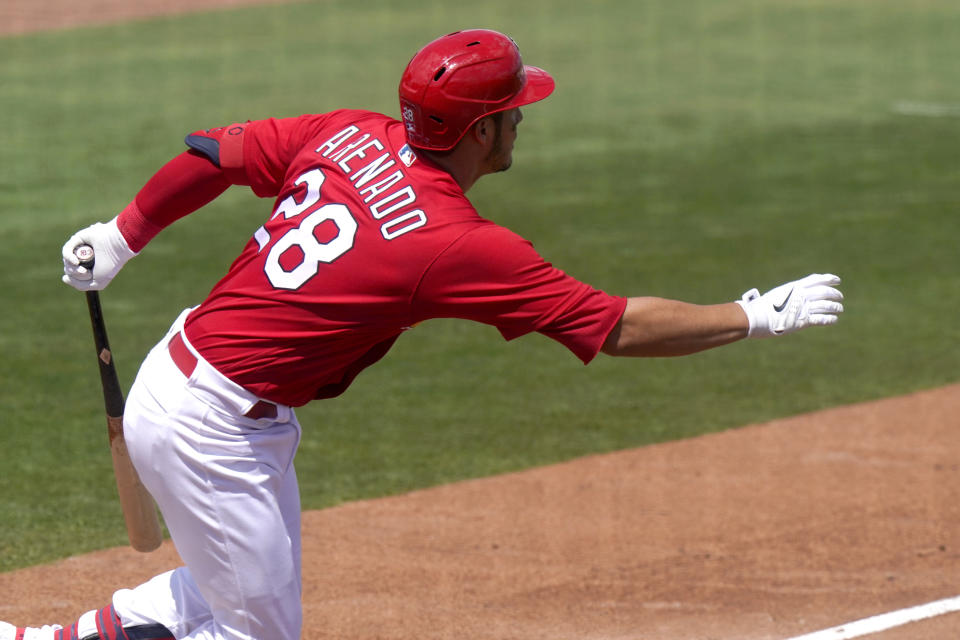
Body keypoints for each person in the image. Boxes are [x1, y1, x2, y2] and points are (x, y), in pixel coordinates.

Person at [2, 28, 843, 640]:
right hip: (209, 427)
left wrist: (122, 235)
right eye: (513, 111)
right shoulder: (455, 243)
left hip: (195, 385)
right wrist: (756, 315)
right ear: (481, 131)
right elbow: (612, 326)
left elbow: (212, 152)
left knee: (245, 604)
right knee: (258, 634)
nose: (522, 123)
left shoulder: (348, 132)